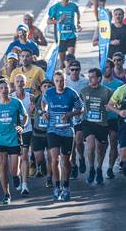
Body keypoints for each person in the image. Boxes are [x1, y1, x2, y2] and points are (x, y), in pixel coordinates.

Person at [42, 70, 84, 202]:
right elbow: (44, 102)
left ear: (66, 81)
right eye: (57, 81)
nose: (60, 83)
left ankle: (66, 187)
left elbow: (81, 108)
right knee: (54, 159)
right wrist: (44, 111)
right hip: (53, 130)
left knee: (66, 161)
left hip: (67, 131)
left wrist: (69, 115)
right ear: (54, 82)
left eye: (62, 81)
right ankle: (57, 187)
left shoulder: (72, 93)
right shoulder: (49, 92)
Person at [0, 79, 27, 204]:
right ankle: (6, 194)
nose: (4, 90)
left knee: (13, 170)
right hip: (0, 140)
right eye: (1, 88)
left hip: (14, 140)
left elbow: (25, 115)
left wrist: (22, 126)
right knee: (2, 167)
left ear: (9, 90)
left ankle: (16, 176)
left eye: (6, 88)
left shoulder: (16, 103)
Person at [76, 67, 112, 185]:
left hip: (102, 124)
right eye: (89, 77)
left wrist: (110, 107)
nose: (90, 79)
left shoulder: (107, 91)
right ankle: (91, 168)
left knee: (100, 149)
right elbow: (78, 104)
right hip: (88, 122)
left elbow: (114, 104)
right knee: (90, 146)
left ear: (99, 78)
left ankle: (99, 169)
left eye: (92, 77)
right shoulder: (84, 91)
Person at [11, 74, 34, 195]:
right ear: (14, 84)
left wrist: (32, 111)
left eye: (22, 81)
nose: (20, 83)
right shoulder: (11, 98)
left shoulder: (31, 97)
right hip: (13, 131)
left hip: (26, 129)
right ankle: (16, 176)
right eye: (17, 81)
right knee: (15, 159)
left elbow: (32, 114)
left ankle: (25, 184)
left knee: (24, 156)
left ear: (25, 84)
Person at [66, 60, 89, 179]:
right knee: (71, 145)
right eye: (72, 69)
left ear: (80, 70)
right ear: (69, 70)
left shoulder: (85, 81)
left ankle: (81, 158)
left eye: (77, 69)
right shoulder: (65, 82)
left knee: (79, 142)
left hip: (81, 116)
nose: (75, 72)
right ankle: (73, 165)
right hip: (69, 117)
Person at [102, 59, 125, 179]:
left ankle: (110, 168)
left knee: (113, 142)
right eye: (103, 67)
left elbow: (123, 102)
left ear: (112, 68)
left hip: (114, 118)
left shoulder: (119, 84)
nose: (104, 70)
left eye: (107, 67)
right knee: (101, 145)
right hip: (101, 120)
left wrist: (115, 107)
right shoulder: (98, 83)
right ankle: (98, 167)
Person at [48, 0, 81, 68]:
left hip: (71, 35)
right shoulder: (55, 7)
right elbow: (48, 21)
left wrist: (78, 23)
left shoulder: (74, 6)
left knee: (70, 58)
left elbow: (78, 14)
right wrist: (58, 21)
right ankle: (63, 76)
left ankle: (70, 74)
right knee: (62, 62)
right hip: (61, 37)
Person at [31, 79, 53, 186]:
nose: (47, 88)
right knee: (39, 159)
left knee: (51, 158)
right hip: (37, 134)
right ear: (41, 88)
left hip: (50, 134)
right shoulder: (35, 99)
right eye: (45, 86)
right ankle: (42, 166)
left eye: (49, 86)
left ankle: (49, 178)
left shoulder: (56, 100)